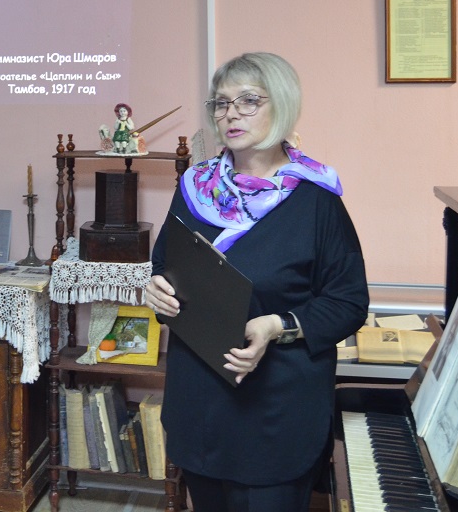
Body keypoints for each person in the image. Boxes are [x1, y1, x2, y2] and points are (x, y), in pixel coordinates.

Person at [144, 51, 368, 512]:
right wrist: (157, 290)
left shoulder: (317, 200)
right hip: (199, 408)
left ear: (281, 105)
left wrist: (276, 326)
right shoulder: (195, 189)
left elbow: (348, 302)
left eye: (248, 100)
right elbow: (165, 265)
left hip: (276, 416)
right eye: (221, 103)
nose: (231, 114)